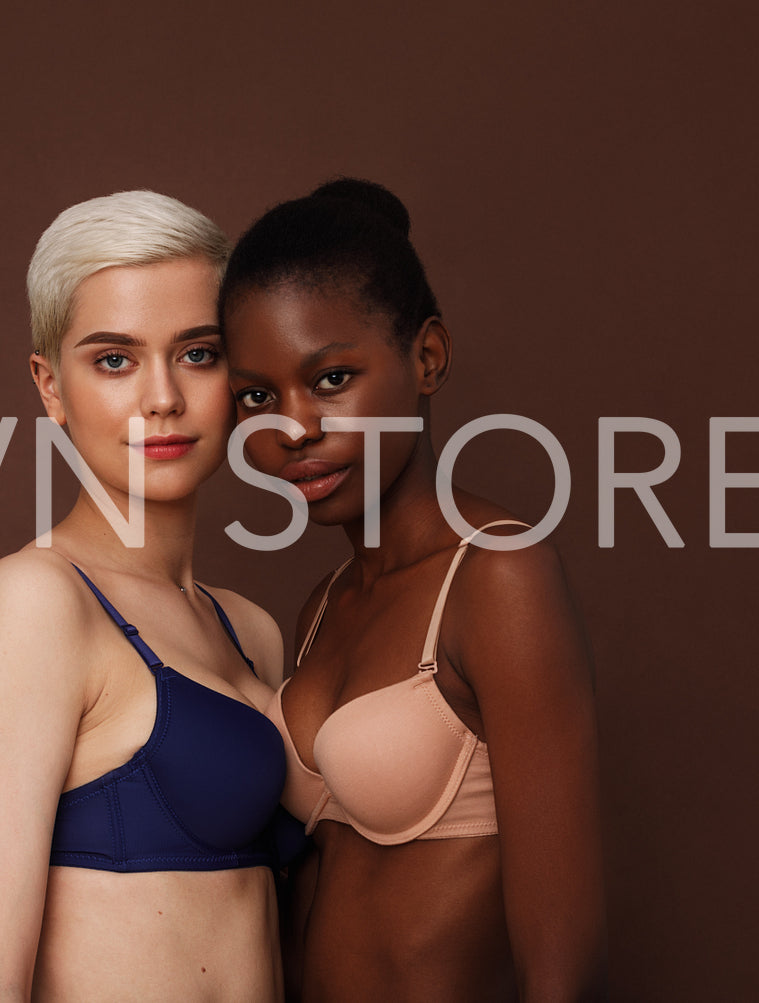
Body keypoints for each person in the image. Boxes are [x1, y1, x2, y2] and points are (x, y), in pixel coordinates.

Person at [220, 179, 607, 1001]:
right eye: (257, 396)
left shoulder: (499, 576)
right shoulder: (322, 606)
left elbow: (562, 968)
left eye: (330, 379)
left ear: (425, 357)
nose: (291, 427)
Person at [0, 191, 290, 1002]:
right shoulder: (34, 603)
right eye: (114, 359)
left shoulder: (250, 631)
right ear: (50, 387)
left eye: (197, 352)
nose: (161, 396)